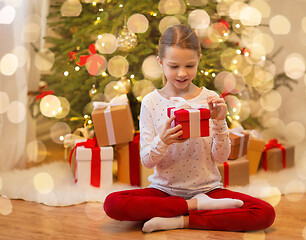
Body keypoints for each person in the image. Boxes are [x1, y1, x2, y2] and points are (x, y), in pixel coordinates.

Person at [103, 24, 275, 233]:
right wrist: (163, 141)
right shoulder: (151, 102)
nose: (182, 73)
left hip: (208, 191)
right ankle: (193, 208)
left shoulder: (210, 99)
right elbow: (147, 160)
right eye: (173, 66)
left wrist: (220, 123)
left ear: (199, 60)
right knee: (113, 203)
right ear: (161, 62)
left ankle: (178, 220)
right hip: (164, 191)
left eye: (189, 66)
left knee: (263, 212)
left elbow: (221, 158)